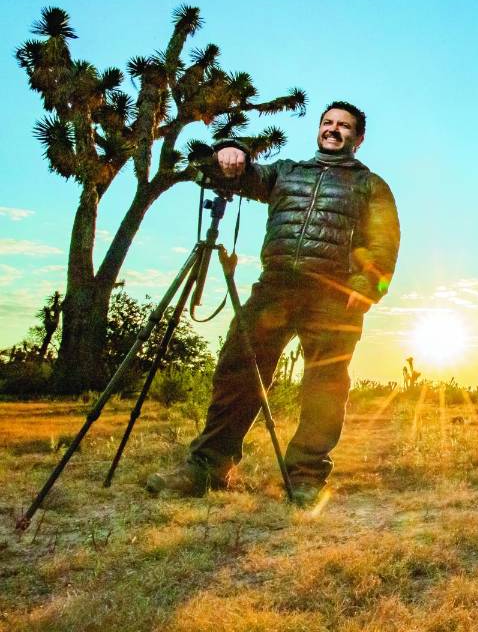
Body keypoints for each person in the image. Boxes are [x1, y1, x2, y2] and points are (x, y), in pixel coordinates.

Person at [147, 101, 400, 506]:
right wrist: (230, 150)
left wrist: (368, 285)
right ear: (318, 129)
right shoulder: (286, 171)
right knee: (238, 369)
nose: (333, 129)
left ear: (359, 138)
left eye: (344, 125)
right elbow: (244, 175)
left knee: (325, 387)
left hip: (333, 295)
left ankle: (306, 477)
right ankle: (209, 466)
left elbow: (384, 241)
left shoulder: (371, 185)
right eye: (328, 122)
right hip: (275, 287)